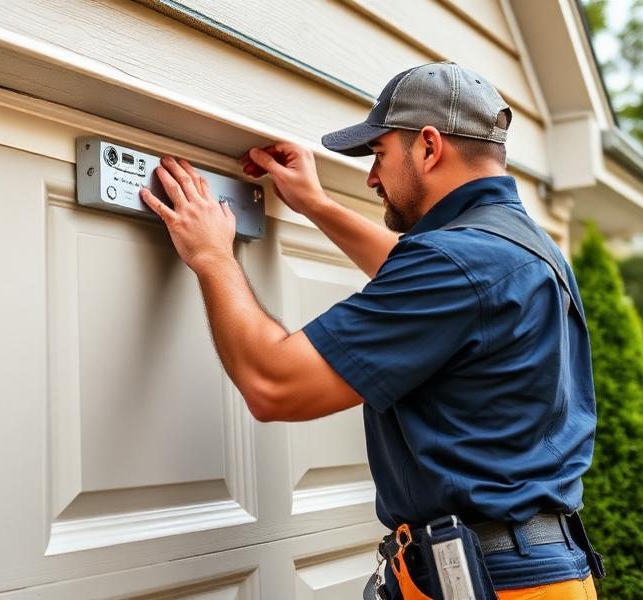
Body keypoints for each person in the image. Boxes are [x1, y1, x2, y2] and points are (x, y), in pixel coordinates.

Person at [140, 61, 600, 599]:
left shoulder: (457, 263)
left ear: (429, 147)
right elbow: (426, 283)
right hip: (535, 570)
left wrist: (214, 257)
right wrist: (315, 205)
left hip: (495, 582)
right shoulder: (522, 247)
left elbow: (273, 384)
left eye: (379, 154)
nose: (372, 177)